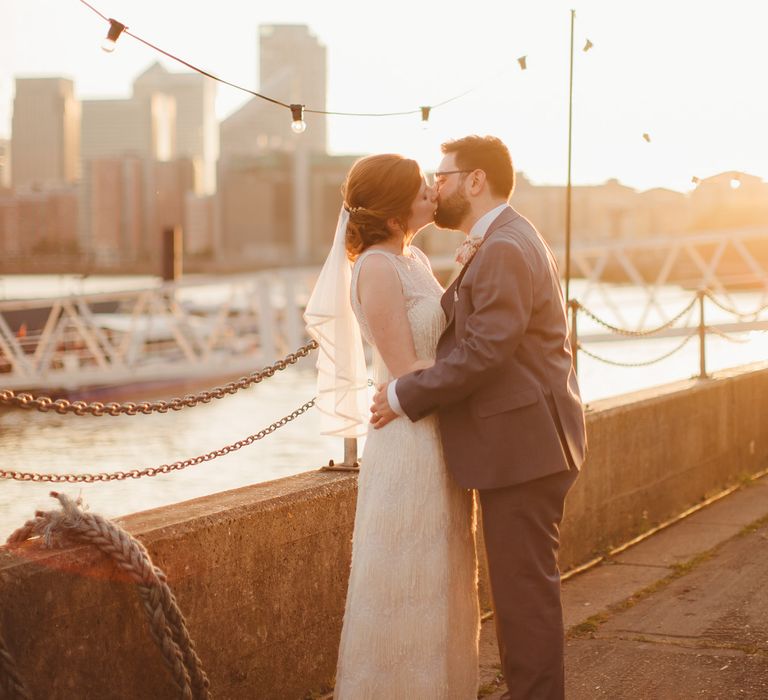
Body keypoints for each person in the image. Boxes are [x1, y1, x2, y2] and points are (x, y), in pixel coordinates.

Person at [371, 135, 587, 700]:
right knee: (523, 598)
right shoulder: (502, 239)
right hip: (524, 443)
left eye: (442, 177)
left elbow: (485, 352)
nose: (434, 188)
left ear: (474, 181)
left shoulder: (505, 247)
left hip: (523, 448)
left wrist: (403, 395)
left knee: (523, 603)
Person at [305, 153, 480, 699]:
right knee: (409, 574)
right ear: (392, 209)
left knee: (444, 573)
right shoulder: (376, 267)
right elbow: (406, 368)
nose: (432, 190)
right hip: (407, 438)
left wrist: (469, 265)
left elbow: (439, 339)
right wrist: (476, 367)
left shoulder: (416, 261)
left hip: (436, 432)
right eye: (420, 187)